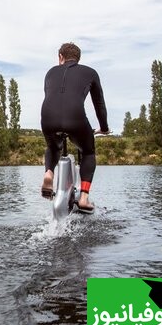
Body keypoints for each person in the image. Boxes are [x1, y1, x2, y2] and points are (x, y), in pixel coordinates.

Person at [40, 42, 109, 211]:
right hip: (76, 119)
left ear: (60, 57)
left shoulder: (50, 72)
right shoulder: (90, 72)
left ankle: (49, 172)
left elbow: (52, 96)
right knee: (88, 151)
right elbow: (99, 103)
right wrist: (104, 127)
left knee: (52, 147)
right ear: (78, 59)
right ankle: (84, 198)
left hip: (48, 118)